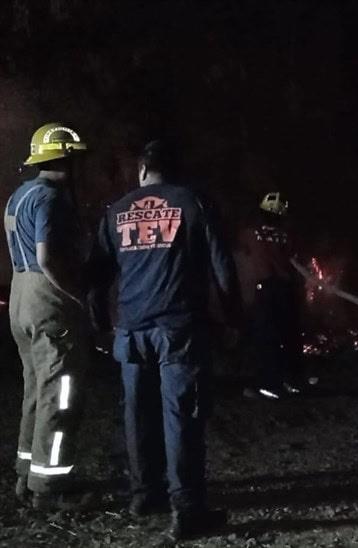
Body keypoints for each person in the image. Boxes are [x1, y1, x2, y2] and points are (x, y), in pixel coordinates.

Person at [88, 140, 243, 540]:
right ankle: (188, 510)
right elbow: (221, 265)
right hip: (179, 330)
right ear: (175, 171)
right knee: (182, 416)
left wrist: (100, 323)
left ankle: (145, 495)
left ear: (142, 170)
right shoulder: (192, 203)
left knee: (137, 413)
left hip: (131, 329)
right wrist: (234, 319)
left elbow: (97, 275)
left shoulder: (116, 211)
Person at [4, 123, 91, 509]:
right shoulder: (52, 199)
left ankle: (26, 475)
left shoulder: (18, 196)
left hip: (19, 295)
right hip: (48, 299)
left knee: (35, 389)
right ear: (66, 158)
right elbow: (46, 256)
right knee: (60, 394)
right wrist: (75, 294)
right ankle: (49, 488)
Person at [241, 192, 304, 399]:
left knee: (265, 337)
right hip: (286, 290)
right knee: (289, 336)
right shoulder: (287, 236)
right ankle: (293, 381)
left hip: (266, 290)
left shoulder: (252, 233)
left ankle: (268, 385)